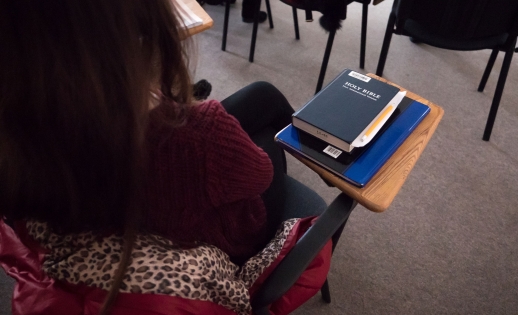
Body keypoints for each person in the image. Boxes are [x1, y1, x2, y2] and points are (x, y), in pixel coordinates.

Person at [0, 0, 324, 314]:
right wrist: (197, 112)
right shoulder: (198, 133)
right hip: (214, 239)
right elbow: (261, 174)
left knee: (262, 96)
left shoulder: (29, 143)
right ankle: (326, 159)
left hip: (140, 211)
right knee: (268, 136)